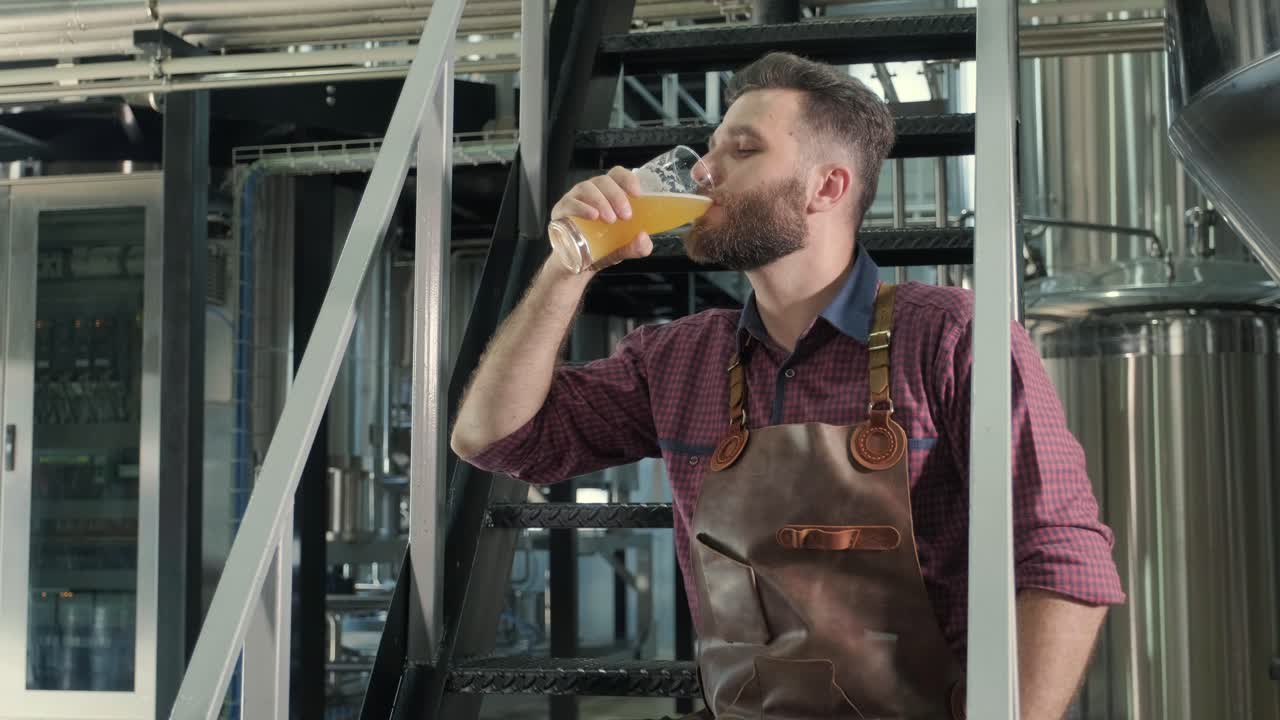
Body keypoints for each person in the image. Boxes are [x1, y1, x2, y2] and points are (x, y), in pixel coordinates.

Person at [451, 51, 1124, 720]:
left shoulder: (950, 336)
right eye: (711, 148)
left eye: (742, 150)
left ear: (825, 189)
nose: (705, 170)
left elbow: (1063, 561)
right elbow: (494, 439)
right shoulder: (676, 358)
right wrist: (567, 267)